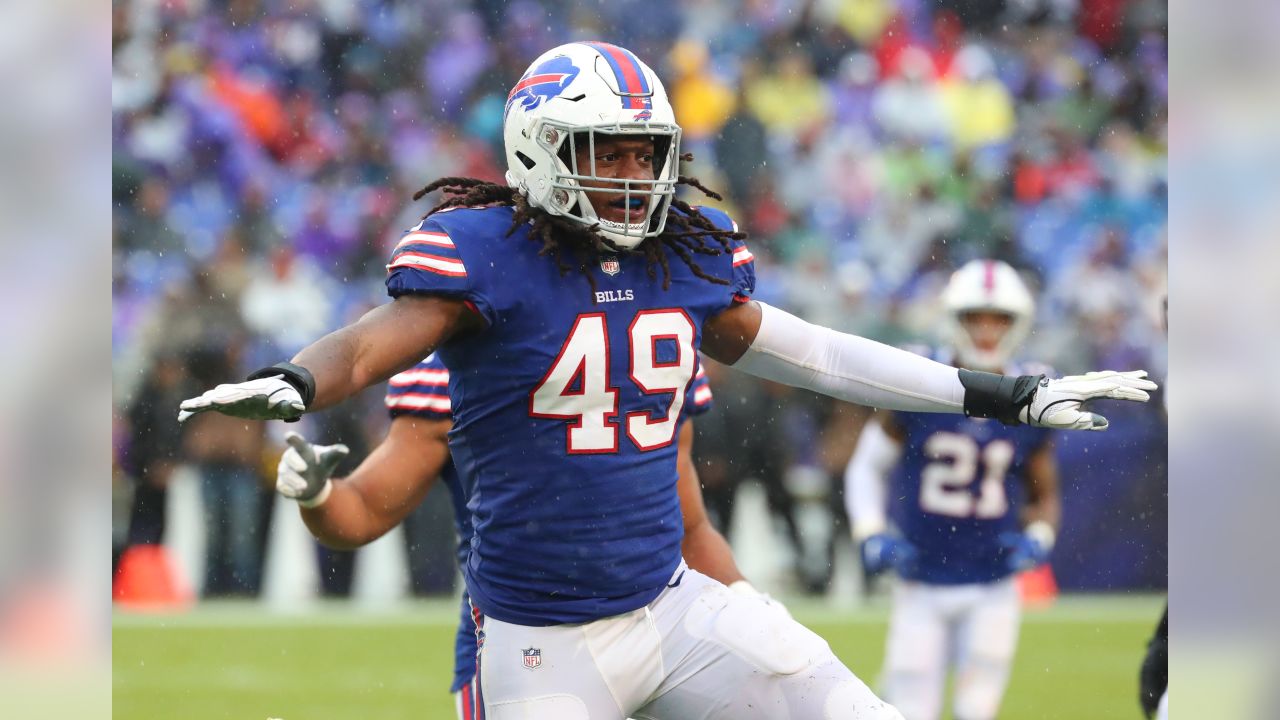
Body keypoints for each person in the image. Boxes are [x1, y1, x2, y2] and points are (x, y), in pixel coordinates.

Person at [179, 41, 1155, 719]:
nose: (630, 177)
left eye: (643, 154)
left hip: (670, 603)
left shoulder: (679, 259)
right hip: (537, 639)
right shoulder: (483, 258)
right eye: (604, 154)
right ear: (538, 151)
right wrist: (294, 381)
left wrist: (1001, 392)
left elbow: (819, 355)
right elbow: (365, 344)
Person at [276, 353, 752, 719]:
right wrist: (318, 494)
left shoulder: (651, 339)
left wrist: (752, 610)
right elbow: (361, 511)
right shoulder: (461, 366)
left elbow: (691, 528)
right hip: (524, 636)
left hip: (660, 625)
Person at [845, 259, 1062, 720]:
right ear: (954, 319)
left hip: (994, 580)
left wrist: (1040, 537)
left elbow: (1044, 492)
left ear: (1017, 323)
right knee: (909, 708)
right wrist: (870, 531)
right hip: (920, 575)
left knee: (976, 709)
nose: (986, 329)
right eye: (975, 317)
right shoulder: (922, 379)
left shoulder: (1032, 392)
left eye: (998, 318)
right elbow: (865, 467)